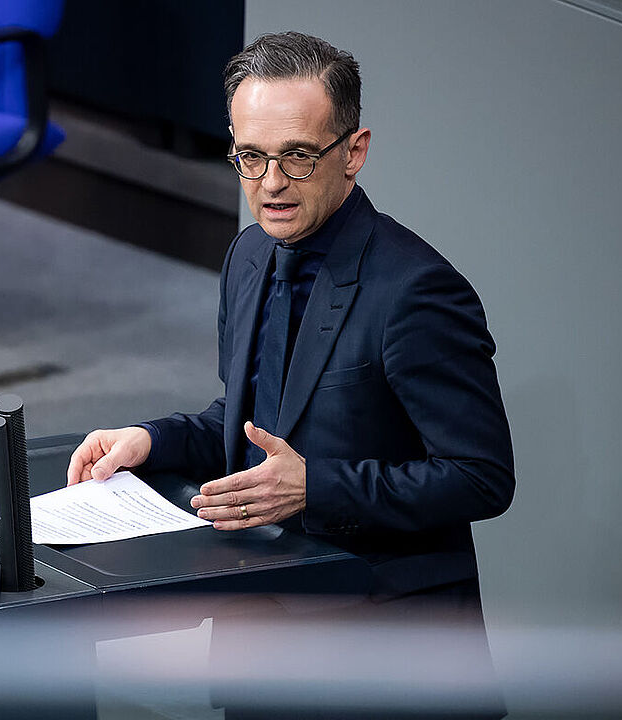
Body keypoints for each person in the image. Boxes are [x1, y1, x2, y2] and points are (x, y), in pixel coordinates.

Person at [66, 31, 514, 717]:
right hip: (261, 630)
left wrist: (316, 487)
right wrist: (152, 439)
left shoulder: (417, 292)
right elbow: (249, 420)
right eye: (251, 157)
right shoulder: (249, 256)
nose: (270, 184)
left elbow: (482, 476)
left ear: (353, 152)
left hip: (386, 656)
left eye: (298, 158)